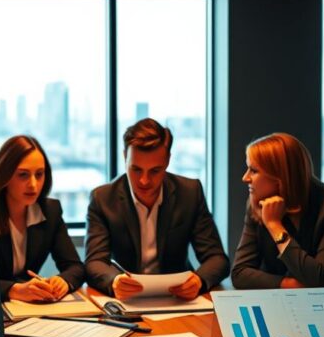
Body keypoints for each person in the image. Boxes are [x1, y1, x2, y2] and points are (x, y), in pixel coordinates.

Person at [86, 118, 230, 300]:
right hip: (126, 298)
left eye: (155, 171)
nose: (144, 181)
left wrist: (199, 280)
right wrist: (114, 281)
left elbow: (217, 259)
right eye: (136, 169)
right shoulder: (103, 198)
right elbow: (94, 262)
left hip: (177, 298)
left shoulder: (190, 193)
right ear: (125, 156)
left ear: (168, 160)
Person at [231, 132, 324, 289]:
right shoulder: (257, 203)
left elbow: (321, 278)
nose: (245, 178)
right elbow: (239, 274)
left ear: (280, 174)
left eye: (254, 170)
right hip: (293, 303)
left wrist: (274, 225)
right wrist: (288, 284)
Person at [0, 135, 84, 301]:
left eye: (39, 174)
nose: (33, 184)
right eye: (23, 175)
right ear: (4, 176)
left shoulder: (50, 211)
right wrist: (15, 290)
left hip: (30, 308)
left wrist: (63, 281)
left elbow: (75, 267)